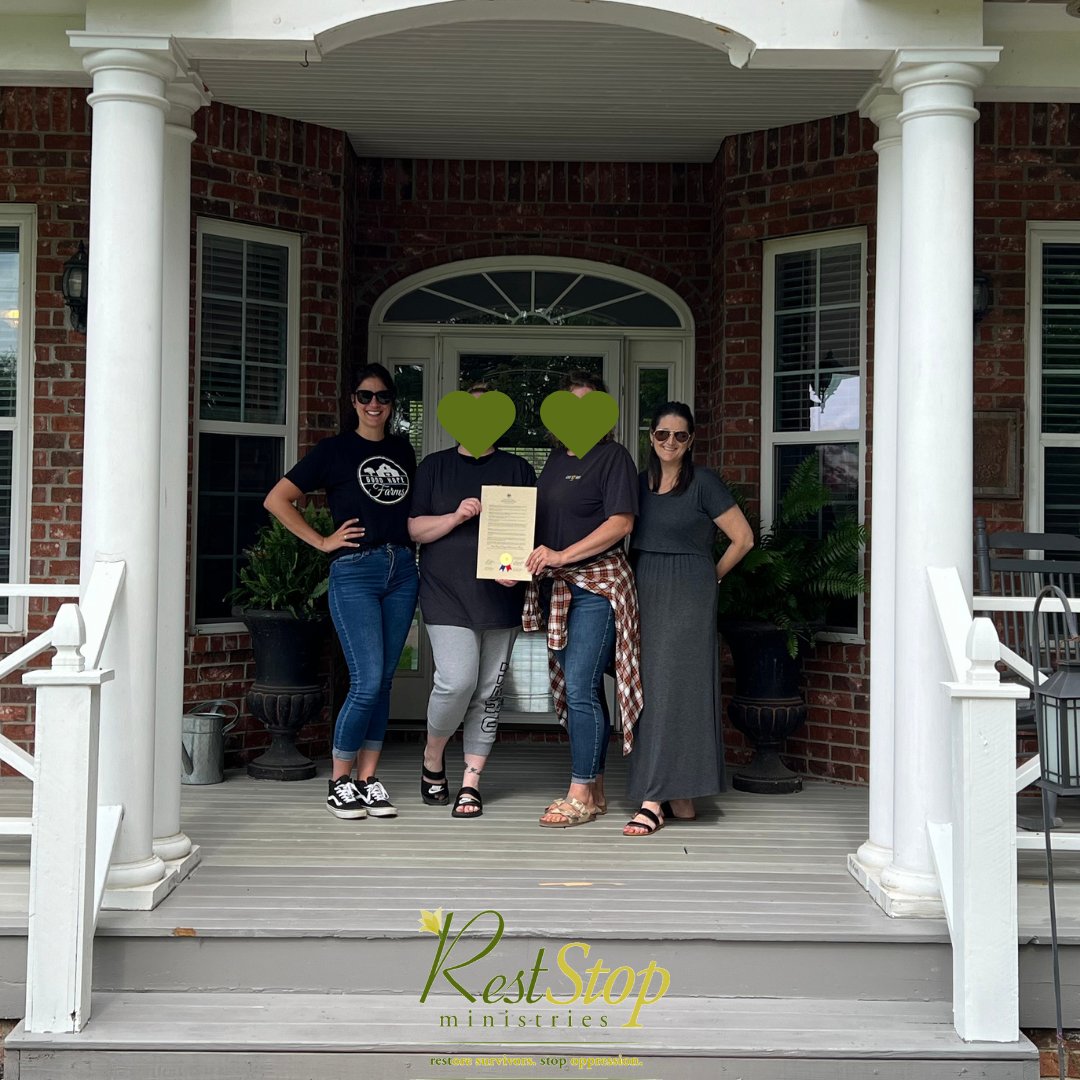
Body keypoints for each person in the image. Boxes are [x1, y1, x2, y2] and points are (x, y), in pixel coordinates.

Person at [263, 362, 418, 821]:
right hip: (355, 570)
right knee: (367, 679)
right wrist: (322, 541)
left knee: (385, 680)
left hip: (402, 570)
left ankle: (368, 780)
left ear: (392, 404)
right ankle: (339, 781)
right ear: (353, 400)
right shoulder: (333, 451)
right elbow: (277, 499)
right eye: (366, 396)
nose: (375, 404)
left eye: (383, 397)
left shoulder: (403, 451)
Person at [623, 402, 754, 836]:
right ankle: (681, 794)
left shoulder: (704, 484)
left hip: (689, 591)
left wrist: (711, 576)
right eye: (663, 435)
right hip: (645, 588)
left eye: (680, 436)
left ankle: (653, 798)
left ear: (691, 440)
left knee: (674, 688)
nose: (671, 443)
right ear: (651, 438)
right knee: (650, 687)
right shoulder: (638, 485)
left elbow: (743, 538)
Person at [408, 384, 536, 818]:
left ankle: (471, 782)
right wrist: (455, 516)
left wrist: (516, 572)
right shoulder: (435, 467)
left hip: (500, 597)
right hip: (445, 595)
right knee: (457, 681)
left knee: (488, 692)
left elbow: (529, 532)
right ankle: (432, 756)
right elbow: (414, 531)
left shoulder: (518, 468)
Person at [523, 371, 642, 828]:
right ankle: (595, 789)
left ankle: (578, 793)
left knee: (579, 686)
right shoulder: (554, 461)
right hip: (560, 589)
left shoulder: (613, 457)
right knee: (585, 687)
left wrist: (562, 555)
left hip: (598, 586)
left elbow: (621, 523)